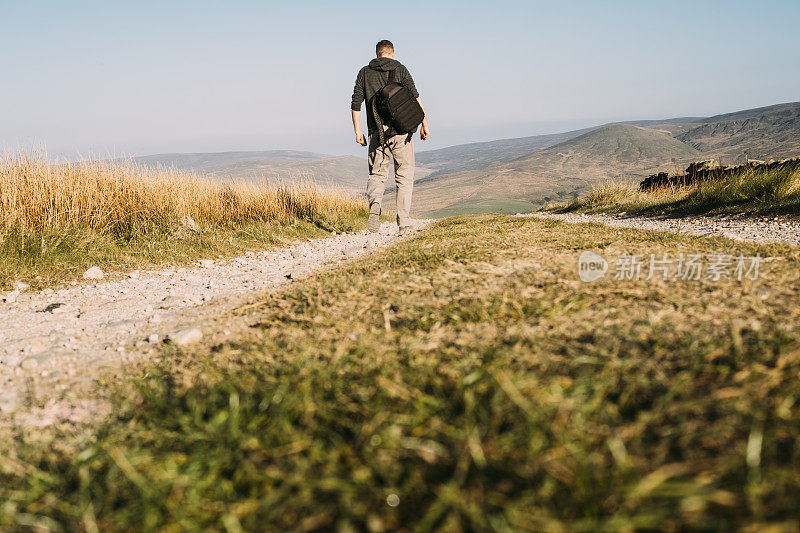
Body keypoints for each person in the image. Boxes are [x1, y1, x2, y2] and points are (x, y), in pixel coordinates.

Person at [350, 39, 430, 235]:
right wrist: (424, 122)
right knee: (404, 176)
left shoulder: (364, 72)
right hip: (402, 132)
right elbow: (415, 97)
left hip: (377, 132)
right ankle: (403, 223)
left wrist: (358, 131)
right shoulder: (400, 69)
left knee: (377, 174)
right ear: (392, 53)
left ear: (376, 54)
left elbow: (355, 103)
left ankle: (376, 203)